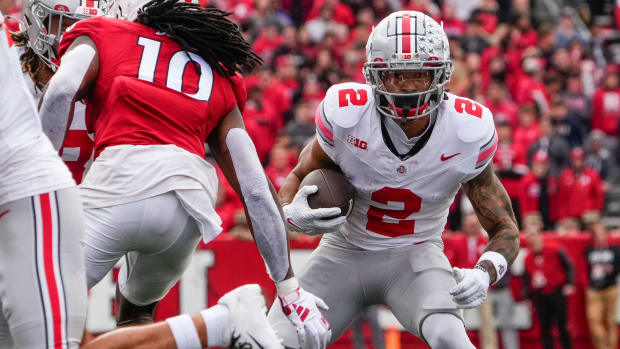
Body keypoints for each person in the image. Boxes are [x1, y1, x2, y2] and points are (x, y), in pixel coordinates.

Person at [37, 0, 330, 348]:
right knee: (137, 317)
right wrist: (289, 289)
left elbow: (60, 92)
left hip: (118, 185)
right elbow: (254, 189)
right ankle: (214, 325)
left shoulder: (106, 33)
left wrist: (38, 182)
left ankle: (221, 322)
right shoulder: (218, 74)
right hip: (186, 211)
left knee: (28, 306)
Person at [267, 11, 520, 349]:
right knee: (273, 342)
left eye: (418, 74)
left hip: (416, 257)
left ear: (441, 74)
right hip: (343, 252)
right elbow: (298, 175)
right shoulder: (346, 115)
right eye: (396, 74)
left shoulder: (466, 131)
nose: (408, 86)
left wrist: (485, 270)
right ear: (374, 75)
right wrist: (290, 210)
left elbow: (505, 227)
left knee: (451, 339)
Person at [0, 12, 87, 348]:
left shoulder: (105, 70)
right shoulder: (19, 58)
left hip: (36, 200)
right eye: (62, 24)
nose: (70, 35)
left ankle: (219, 323)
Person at [523, 225, 575, 349]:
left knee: (563, 326)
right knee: (545, 328)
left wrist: (569, 283)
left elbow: (569, 266)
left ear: (540, 237)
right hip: (541, 296)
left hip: (557, 292)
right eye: (530, 237)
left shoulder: (555, 250)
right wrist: (527, 297)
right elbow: (526, 279)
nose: (533, 240)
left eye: (534, 236)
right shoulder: (528, 258)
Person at [584, 223, 620, 349]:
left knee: (611, 322)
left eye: (601, 234)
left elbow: (617, 268)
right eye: (596, 234)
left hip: (611, 288)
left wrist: (610, 269)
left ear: (606, 235)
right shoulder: (590, 250)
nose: (599, 237)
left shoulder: (614, 250)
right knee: (594, 320)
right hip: (594, 290)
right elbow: (585, 269)